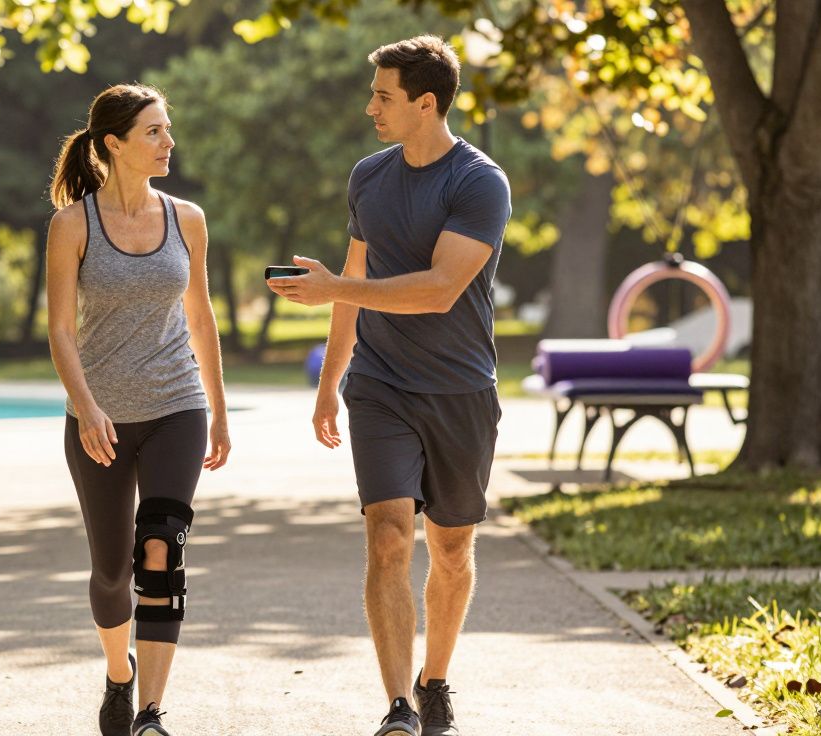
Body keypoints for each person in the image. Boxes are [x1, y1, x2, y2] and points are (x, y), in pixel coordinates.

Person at [267, 35, 511, 736]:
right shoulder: (369, 177)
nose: (370, 105)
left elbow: (438, 290)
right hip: (379, 387)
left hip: (460, 388)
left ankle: (436, 681)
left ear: (425, 104)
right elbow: (353, 288)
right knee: (388, 536)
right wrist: (329, 381)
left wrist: (334, 288)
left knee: (454, 548)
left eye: (383, 95)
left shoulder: (478, 181)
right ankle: (400, 705)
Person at [46, 83, 231, 736]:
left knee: (162, 548)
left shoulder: (187, 219)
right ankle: (118, 674)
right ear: (114, 144)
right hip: (98, 420)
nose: (168, 142)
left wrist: (219, 409)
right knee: (111, 570)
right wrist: (87, 407)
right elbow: (61, 331)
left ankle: (151, 711)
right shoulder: (73, 224)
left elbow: (201, 318)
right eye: (153, 132)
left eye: (167, 129)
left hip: (177, 408)